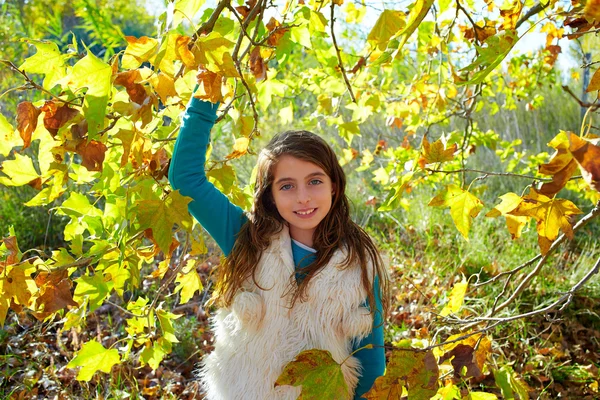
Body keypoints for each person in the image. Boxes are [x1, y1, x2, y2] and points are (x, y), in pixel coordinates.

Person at [169, 83, 390, 400]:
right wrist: (208, 88)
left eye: (314, 181)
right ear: (270, 196)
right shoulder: (247, 237)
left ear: (333, 187)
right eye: (287, 186)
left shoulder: (358, 263)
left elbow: (370, 365)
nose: (303, 198)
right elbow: (185, 178)